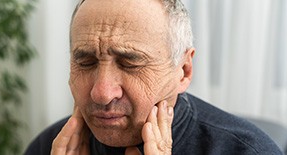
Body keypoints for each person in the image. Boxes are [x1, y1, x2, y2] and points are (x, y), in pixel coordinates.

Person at [25, 0, 283, 154]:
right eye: (86, 61)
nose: (102, 93)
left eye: (130, 63)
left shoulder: (247, 151)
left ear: (183, 71)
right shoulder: (48, 146)